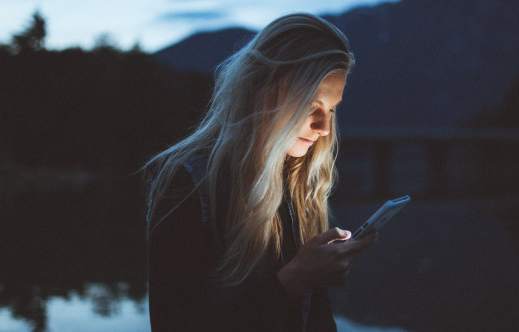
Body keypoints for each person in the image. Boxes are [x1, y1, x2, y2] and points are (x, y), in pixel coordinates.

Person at [143, 13, 377, 331]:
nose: (324, 128)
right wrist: (297, 277)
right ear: (264, 89)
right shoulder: (188, 184)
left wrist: (313, 274)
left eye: (332, 109)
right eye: (312, 105)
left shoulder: (297, 181)